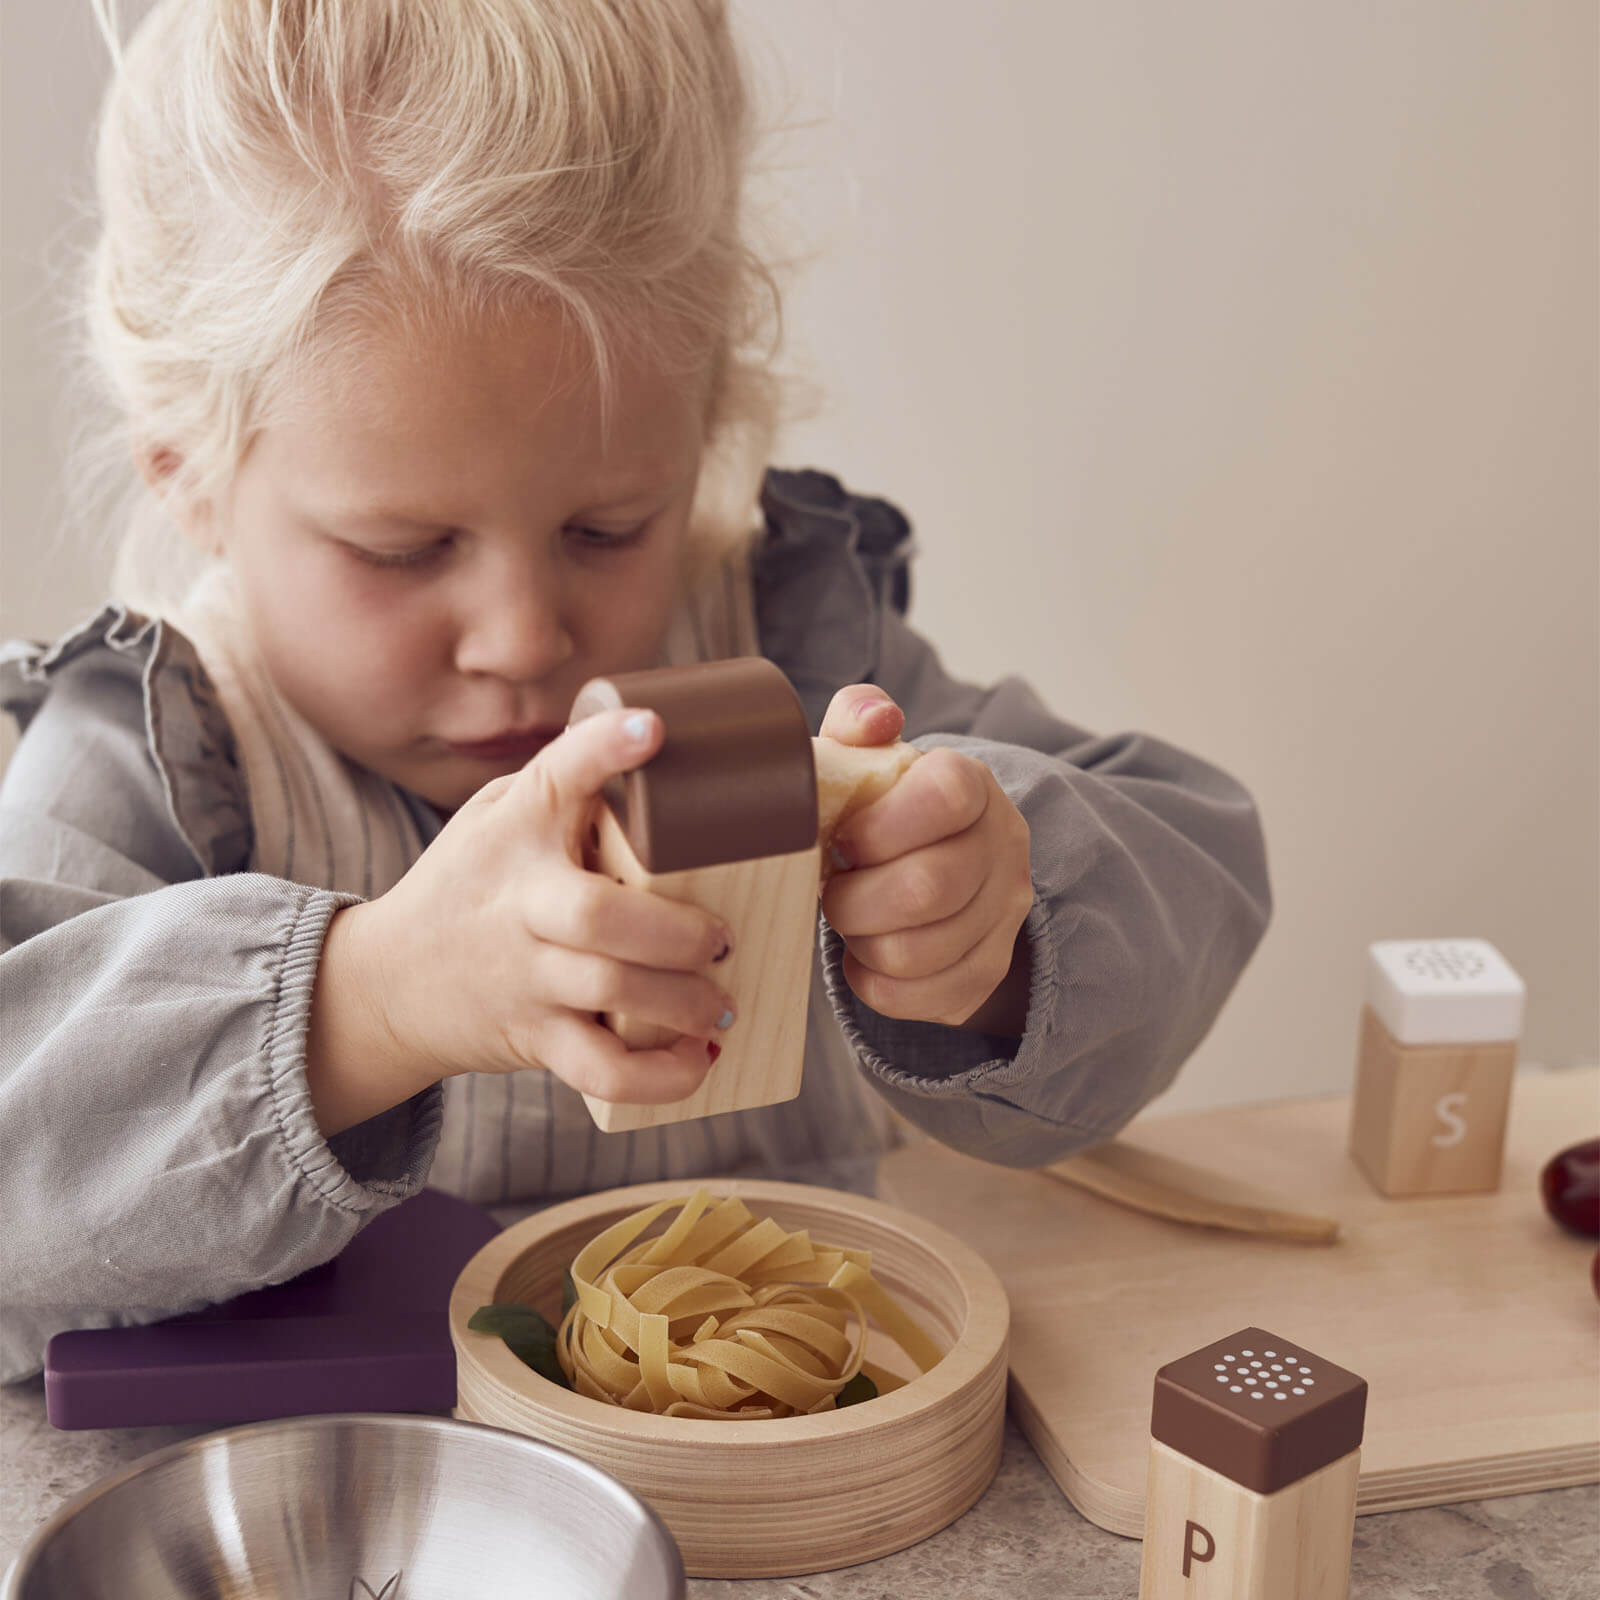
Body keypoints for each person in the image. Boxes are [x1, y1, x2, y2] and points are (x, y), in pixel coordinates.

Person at [0, 0, 1271, 1385]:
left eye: (608, 527)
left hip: (810, 1478)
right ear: (185, 466)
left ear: (707, 418)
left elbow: (1195, 859)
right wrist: (366, 1004)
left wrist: (991, 932)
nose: (521, 637)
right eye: (403, 549)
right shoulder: (161, 752)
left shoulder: (784, 658)